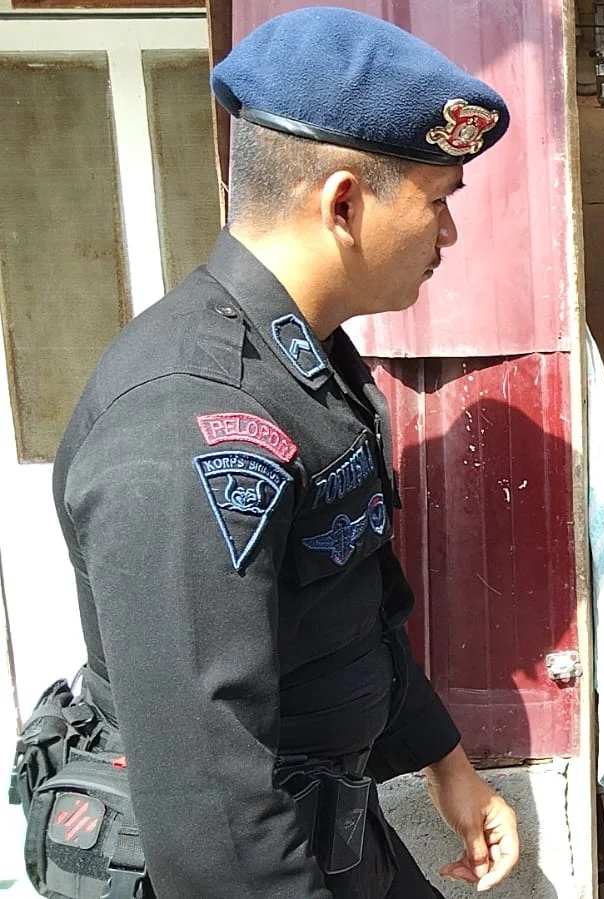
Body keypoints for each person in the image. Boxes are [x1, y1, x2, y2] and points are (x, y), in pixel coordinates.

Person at [50, 8, 520, 897]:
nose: (448, 235)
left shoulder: (303, 364)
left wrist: (446, 762)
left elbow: (348, 608)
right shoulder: (189, 416)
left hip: (335, 829)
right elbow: (211, 820)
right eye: (437, 202)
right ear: (343, 204)